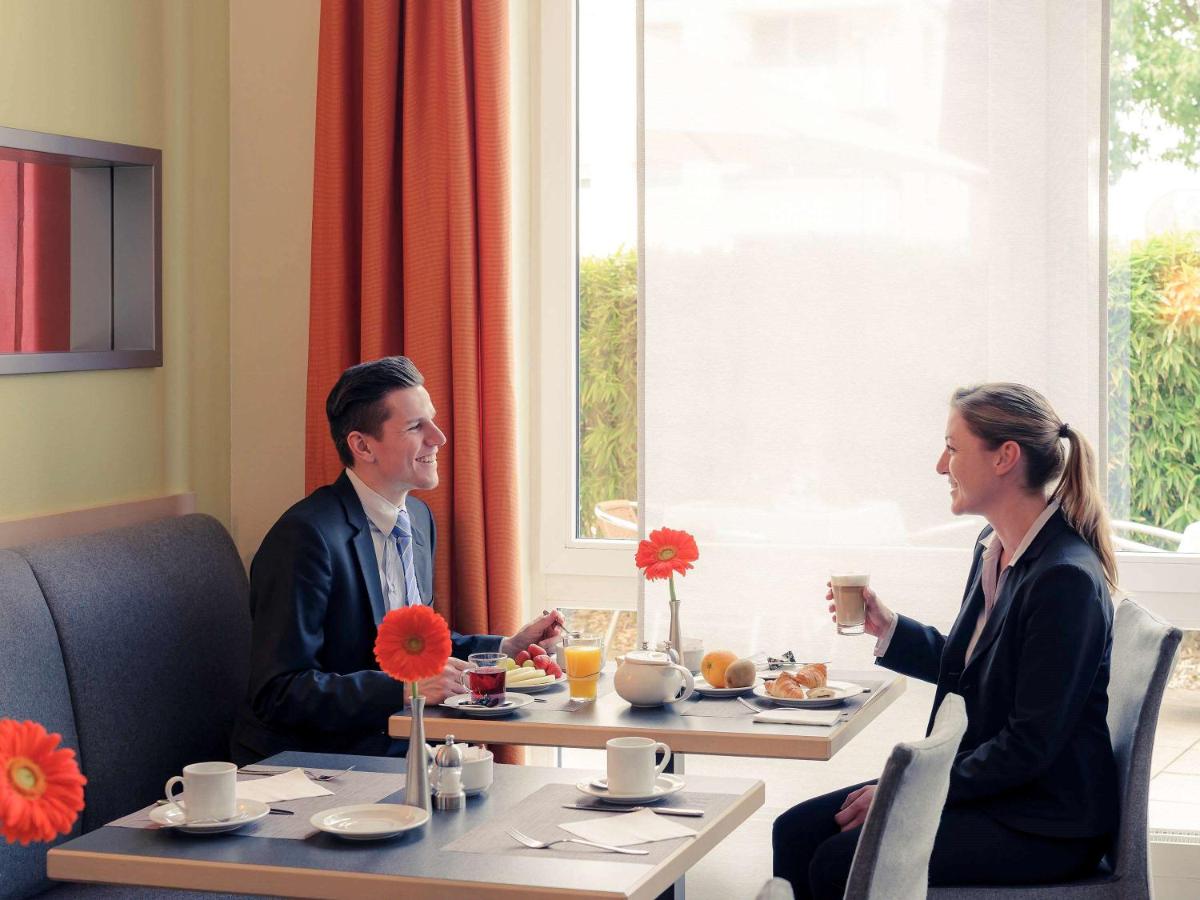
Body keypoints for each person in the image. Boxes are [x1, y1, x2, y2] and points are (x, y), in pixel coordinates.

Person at [773, 383, 1120, 899]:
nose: (941, 466)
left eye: (953, 448)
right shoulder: (994, 547)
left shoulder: (1064, 579)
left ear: (1005, 457)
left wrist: (906, 791)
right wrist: (889, 627)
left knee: (835, 862)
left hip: (1043, 820)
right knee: (796, 831)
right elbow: (979, 670)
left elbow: (1029, 746)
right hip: (999, 789)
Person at [231, 356, 562, 764]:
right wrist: (406, 689)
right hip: (317, 762)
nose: (438, 438)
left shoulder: (418, 519)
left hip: (400, 745)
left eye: (432, 421)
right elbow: (278, 692)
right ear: (362, 445)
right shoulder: (305, 537)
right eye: (415, 427)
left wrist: (506, 647)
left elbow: (414, 645)